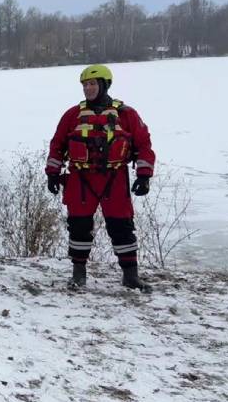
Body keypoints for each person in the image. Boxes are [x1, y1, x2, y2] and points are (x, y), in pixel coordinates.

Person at [45, 64, 156, 293]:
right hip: (80, 179)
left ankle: (130, 275)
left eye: (93, 84)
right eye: (85, 85)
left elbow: (144, 144)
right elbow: (57, 145)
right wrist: (52, 173)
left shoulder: (127, 114)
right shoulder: (72, 115)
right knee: (78, 227)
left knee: (122, 227)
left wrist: (144, 175)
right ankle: (78, 274)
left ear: (105, 85)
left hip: (114, 178)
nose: (88, 89)